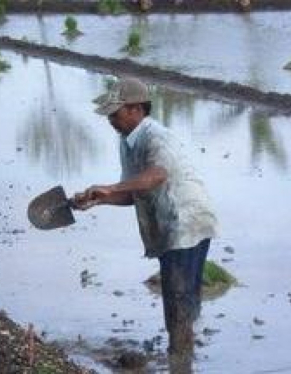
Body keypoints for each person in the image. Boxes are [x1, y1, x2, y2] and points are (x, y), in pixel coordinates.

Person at [73, 77, 218, 356]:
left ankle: (180, 358)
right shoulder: (127, 142)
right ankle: (182, 354)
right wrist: (99, 199)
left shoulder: (156, 136)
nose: (111, 121)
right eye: (109, 116)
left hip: (186, 223)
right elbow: (133, 192)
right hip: (168, 226)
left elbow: (156, 175)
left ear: (136, 109)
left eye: (115, 114)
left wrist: (111, 187)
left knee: (178, 299)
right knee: (178, 298)